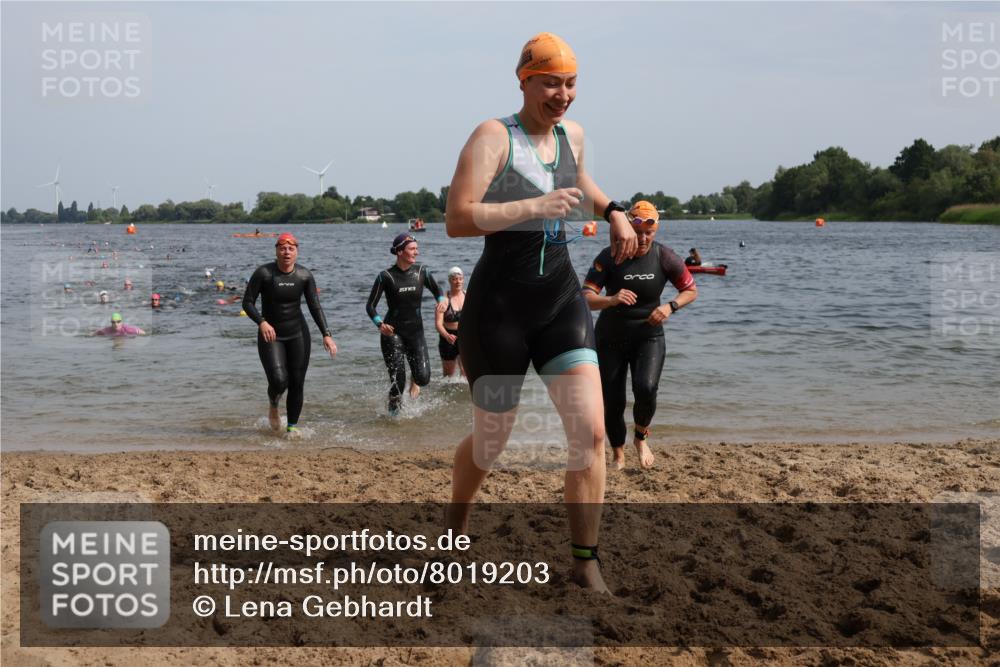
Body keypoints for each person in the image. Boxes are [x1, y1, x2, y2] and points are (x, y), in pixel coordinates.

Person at [444, 32, 638, 593]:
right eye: (551, 83)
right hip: (498, 310)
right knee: (491, 440)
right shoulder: (493, 136)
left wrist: (614, 210)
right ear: (524, 80)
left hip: (560, 302)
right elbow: (457, 218)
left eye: (571, 83)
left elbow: (579, 182)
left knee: (591, 434)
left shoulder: (571, 135)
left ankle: (585, 562)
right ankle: (455, 529)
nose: (563, 94)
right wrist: (534, 205)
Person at [583, 201, 698, 470]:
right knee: (613, 400)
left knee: (646, 389)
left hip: (649, 337)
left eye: (649, 232)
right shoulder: (610, 256)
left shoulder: (664, 256)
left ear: (655, 231)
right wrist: (611, 300)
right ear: (628, 228)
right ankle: (618, 454)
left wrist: (669, 307)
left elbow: (691, 291)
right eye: (638, 232)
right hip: (610, 337)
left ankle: (641, 438)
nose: (644, 238)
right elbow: (585, 297)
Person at [242, 232, 338, 434]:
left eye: (291, 249)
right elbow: (247, 302)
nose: (286, 252)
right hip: (271, 334)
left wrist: (326, 334)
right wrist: (262, 322)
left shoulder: (304, 276)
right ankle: (273, 405)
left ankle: (292, 428)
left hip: (298, 334)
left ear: (297, 252)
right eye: (282, 248)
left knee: (297, 382)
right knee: (278, 380)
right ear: (276, 251)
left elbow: (315, 306)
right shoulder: (264, 273)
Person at [365, 233, 444, 415]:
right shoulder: (385, 276)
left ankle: (413, 381)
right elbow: (370, 306)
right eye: (412, 249)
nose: (417, 252)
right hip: (392, 333)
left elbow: (437, 290)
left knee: (423, 379)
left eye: (417, 248)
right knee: (398, 383)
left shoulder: (422, 271)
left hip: (416, 332)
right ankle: (393, 417)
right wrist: (380, 324)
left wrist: (442, 300)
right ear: (400, 252)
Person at [435, 266, 466, 377]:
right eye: (454, 279)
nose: (458, 282)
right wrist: (447, 336)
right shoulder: (444, 300)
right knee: (449, 376)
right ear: (449, 280)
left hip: (465, 337)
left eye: (460, 279)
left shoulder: (468, 296)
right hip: (448, 339)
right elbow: (438, 324)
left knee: (466, 372)